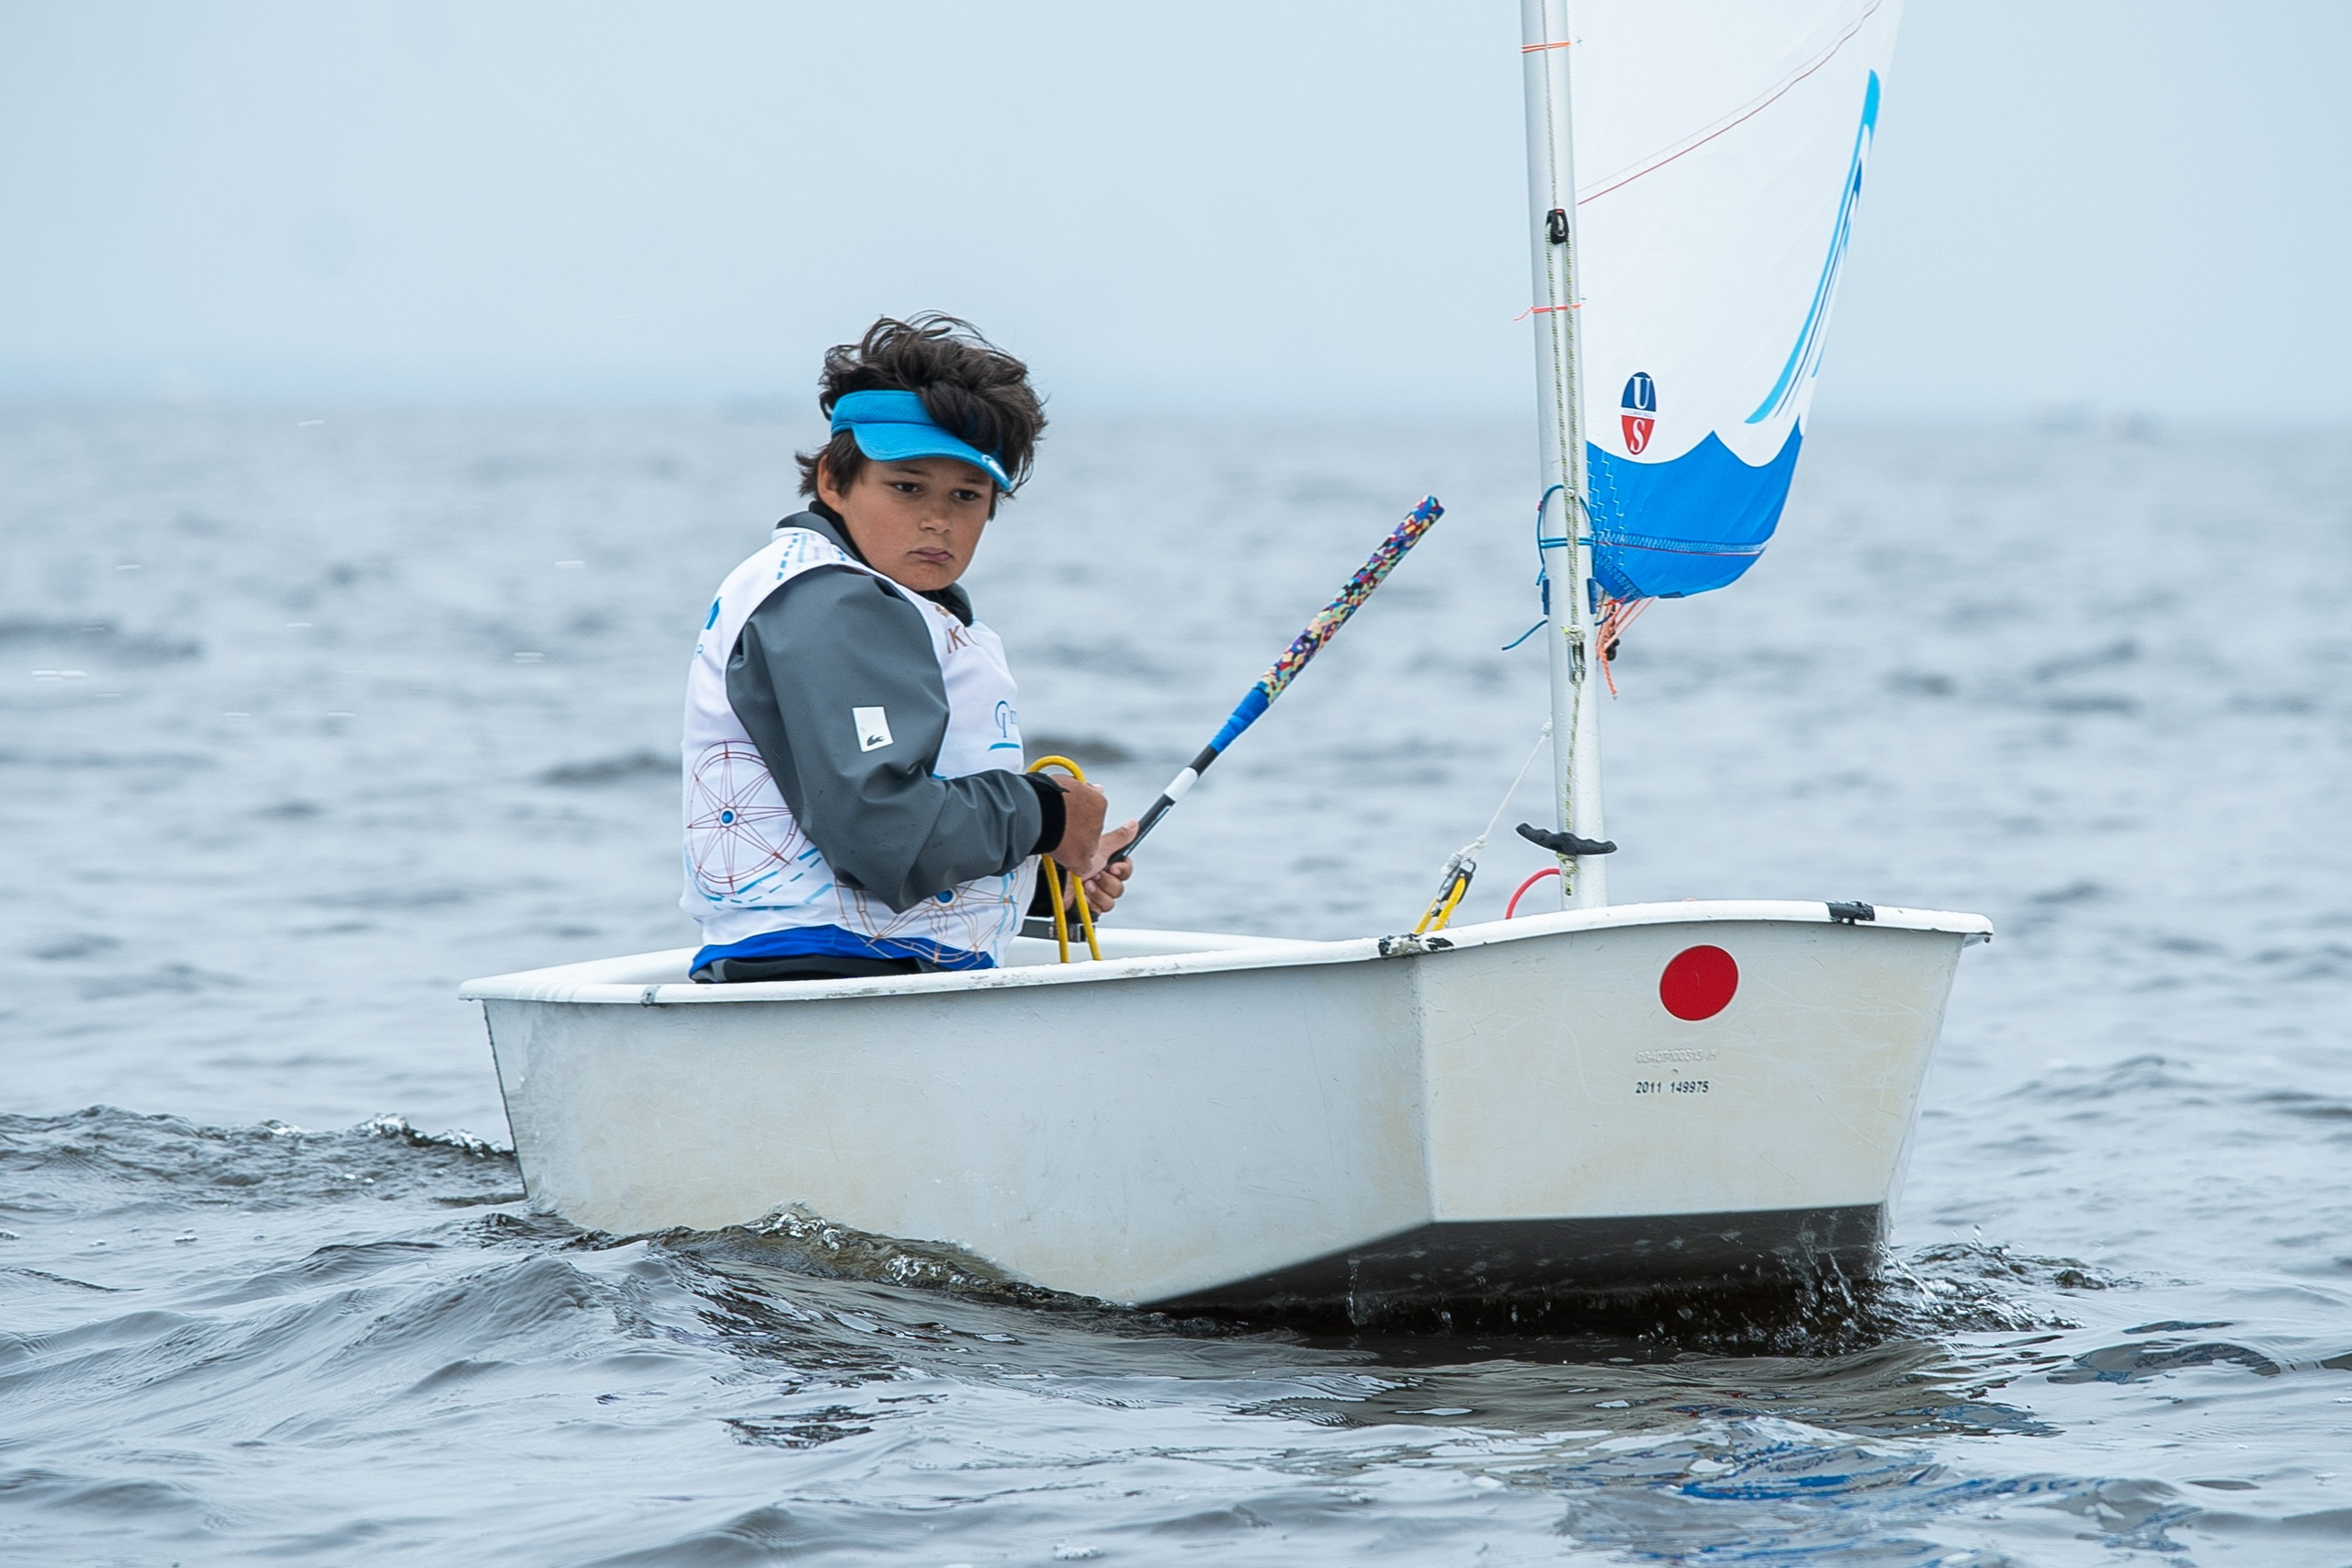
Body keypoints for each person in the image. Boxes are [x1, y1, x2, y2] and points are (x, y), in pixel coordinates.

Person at [680, 314, 1136, 983]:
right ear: (834, 480)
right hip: (827, 980)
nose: (937, 519)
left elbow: (865, 822)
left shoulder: (864, 599)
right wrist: (1043, 814)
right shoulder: (832, 602)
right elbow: (881, 827)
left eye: (967, 495)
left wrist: (1039, 876)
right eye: (906, 486)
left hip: (858, 974)